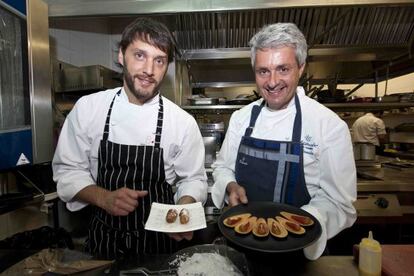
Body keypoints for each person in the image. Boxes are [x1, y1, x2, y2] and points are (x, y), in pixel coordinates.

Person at [52, 17, 207, 259]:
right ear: (122, 56)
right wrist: (103, 198)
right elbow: (68, 172)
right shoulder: (89, 109)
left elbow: (193, 179)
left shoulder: (181, 122)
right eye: (140, 55)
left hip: (160, 243)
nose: (149, 70)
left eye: (159, 60)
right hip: (104, 239)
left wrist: (184, 207)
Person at [211, 23, 357, 260]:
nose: (272, 81)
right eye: (263, 71)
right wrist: (229, 186)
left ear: (301, 68)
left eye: (283, 69)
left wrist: (302, 224)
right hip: (242, 246)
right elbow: (222, 167)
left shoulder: (328, 125)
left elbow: (340, 203)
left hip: (299, 253)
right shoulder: (241, 118)